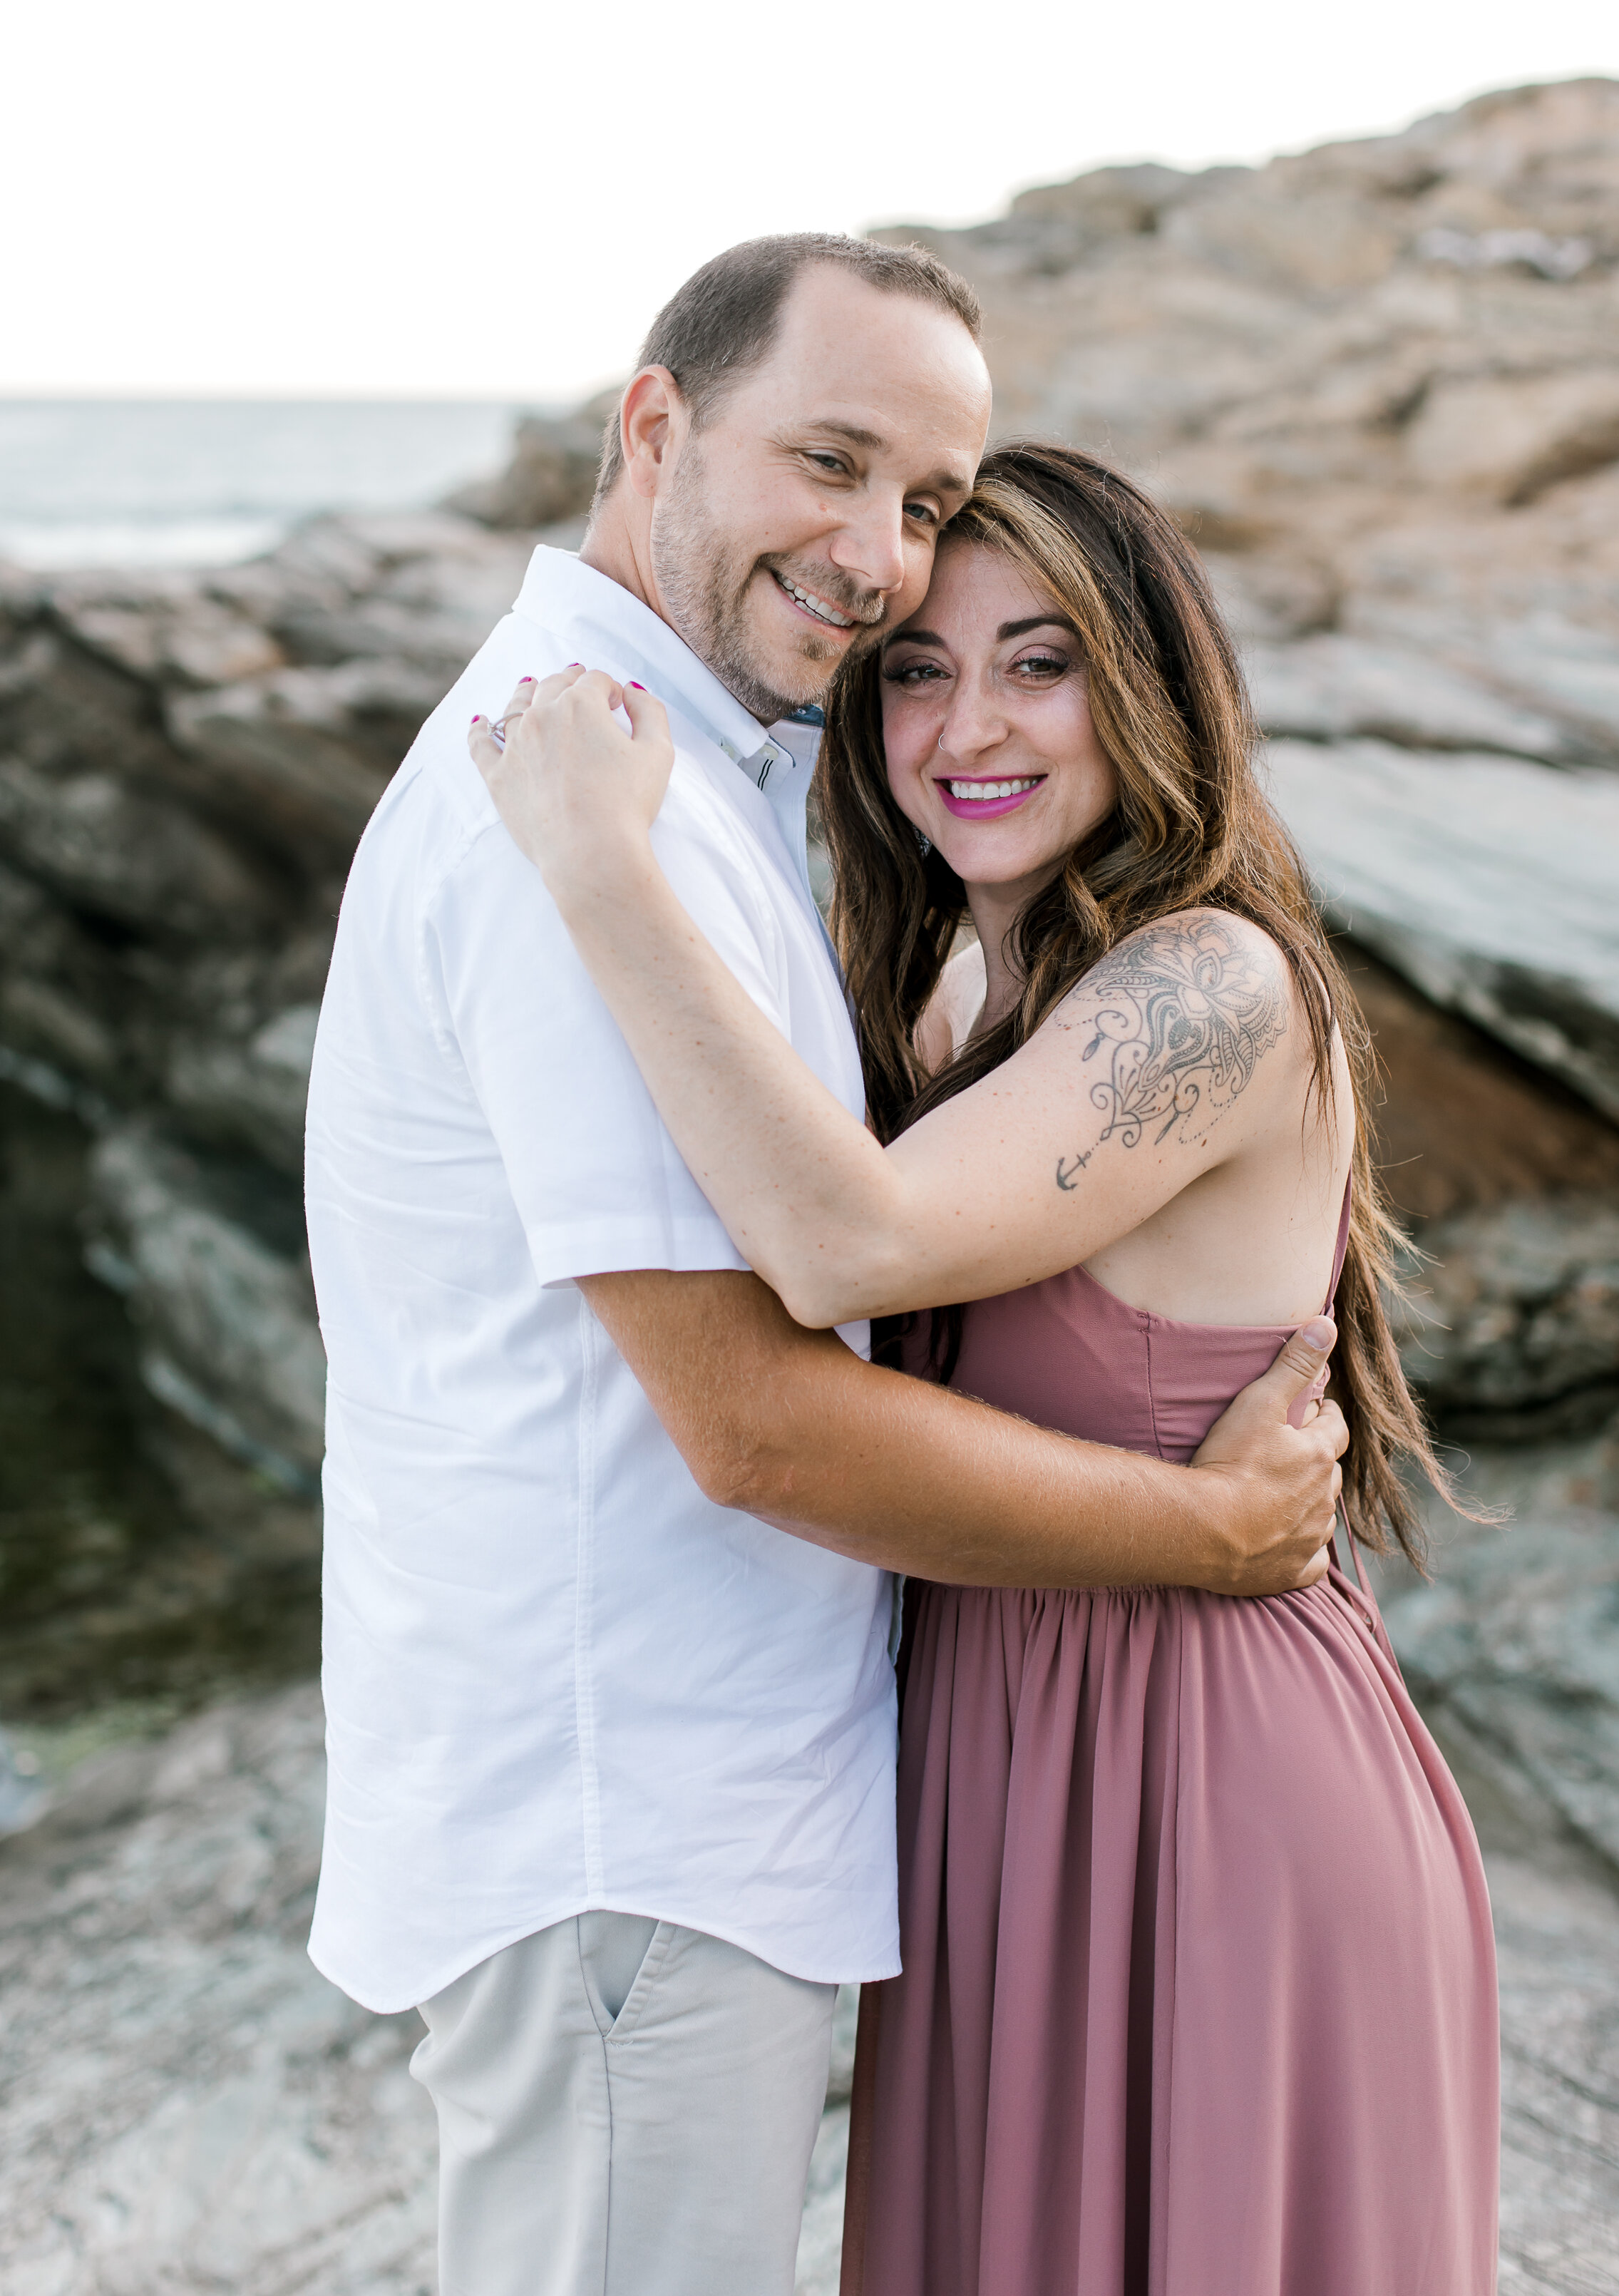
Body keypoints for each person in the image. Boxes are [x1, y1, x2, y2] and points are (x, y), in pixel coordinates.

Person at [304, 237, 1350, 2296]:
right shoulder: (585, 809)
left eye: (927, 503)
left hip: (847, 1808)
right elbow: (760, 1420)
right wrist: (1204, 1528)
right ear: (653, 424)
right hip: (643, 1822)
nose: (878, 559)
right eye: (833, 461)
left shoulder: (688, 813)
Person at [471, 439, 1501, 2295]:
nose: (970, 726)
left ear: (1147, 684)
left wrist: (597, 865)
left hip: (1212, 1789)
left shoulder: (1211, 990)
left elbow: (846, 1244)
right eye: (917, 672)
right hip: (996, 1777)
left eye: (1040, 662)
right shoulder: (948, 988)